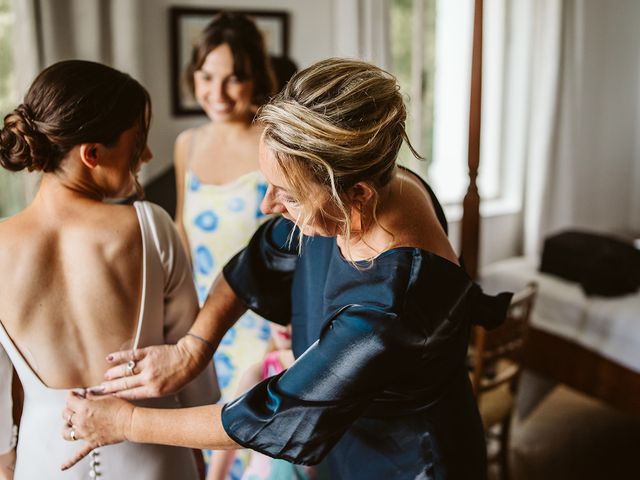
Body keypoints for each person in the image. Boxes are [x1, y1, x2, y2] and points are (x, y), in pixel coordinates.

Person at [62, 58, 513, 479]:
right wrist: (192, 349)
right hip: (349, 438)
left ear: (356, 197)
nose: (267, 205)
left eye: (289, 196)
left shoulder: (388, 311)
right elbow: (257, 258)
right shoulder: (385, 182)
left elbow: (270, 415)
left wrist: (124, 421)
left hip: (404, 462)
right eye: (270, 185)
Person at [0, 59, 219, 479]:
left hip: (44, 461)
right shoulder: (150, 227)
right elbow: (195, 371)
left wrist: (9, 464)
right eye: (138, 143)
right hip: (155, 455)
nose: (148, 156)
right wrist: (198, 440)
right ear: (93, 154)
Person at [174, 12, 276, 423]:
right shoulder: (188, 144)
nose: (217, 92)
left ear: (255, 78)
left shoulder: (273, 141)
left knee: (252, 443)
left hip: (264, 325)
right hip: (202, 322)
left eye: (233, 78)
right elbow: (182, 232)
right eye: (206, 76)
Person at [208, 324, 319, 480]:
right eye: (278, 312)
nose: (284, 325)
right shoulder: (260, 373)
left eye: (292, 313)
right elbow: (228, 438)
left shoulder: (327, 371)